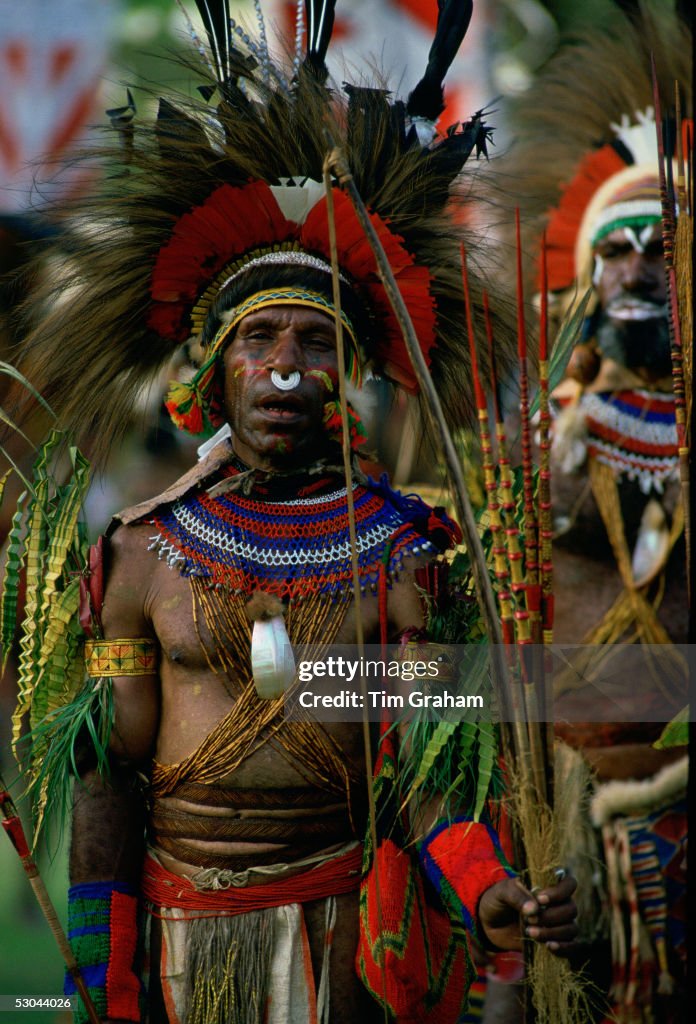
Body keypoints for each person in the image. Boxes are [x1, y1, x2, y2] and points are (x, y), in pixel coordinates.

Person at [6, 3, 578, 1023]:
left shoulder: (408, 551)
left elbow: (423, 766)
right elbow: (107, 789)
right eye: (257, 338)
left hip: (348, 949)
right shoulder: (138, 553)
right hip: (188, 957)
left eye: (315, 343)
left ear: (350, 374)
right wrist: (106, 978)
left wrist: (484, 889)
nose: (284, 368)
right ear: (212, 372)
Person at [501, 3, 690, 1020]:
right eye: (616, 247)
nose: (637, 267)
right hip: (557, 817)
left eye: (665, 244)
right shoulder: (536, 444)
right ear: (584, 268)